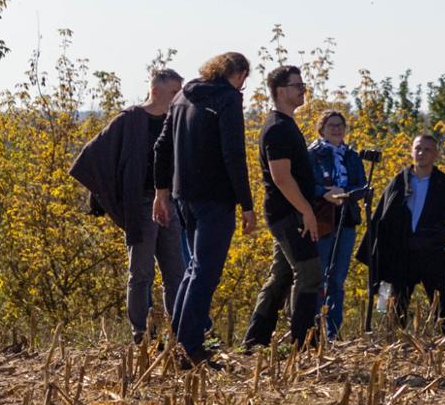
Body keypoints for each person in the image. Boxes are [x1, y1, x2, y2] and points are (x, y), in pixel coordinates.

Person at [152, 52, 256, 368]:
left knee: (194, 270)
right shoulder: (227, 98)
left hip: (184, 195)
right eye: (244, 79)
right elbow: (234, 153)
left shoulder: (183, 96)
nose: (242, 86)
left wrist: (162, 193)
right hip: (216, 197)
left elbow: (162, 147)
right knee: (205, 273)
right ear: (237, 74)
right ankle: (190, 348)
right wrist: (247, 204)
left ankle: (179, 342)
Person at [69, 67, 185, 343]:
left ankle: (180, 331)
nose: (178, 98)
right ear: (155, 91)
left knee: (176, 273)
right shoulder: (130, 120)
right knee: (142, 272)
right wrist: (103, 195)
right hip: (141, 204)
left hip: (170, 203)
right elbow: (93, 157)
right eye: (173, 92)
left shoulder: (176, 121)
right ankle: (142, 334)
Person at [242, 65, 329, 350]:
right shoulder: (278, 128)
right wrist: (306, 211)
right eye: (298, 86)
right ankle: (302, 343)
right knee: (309, 273)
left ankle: (255, 340)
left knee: (281, 275)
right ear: (281, 91)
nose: (303, 90)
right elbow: (281, 177)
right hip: (289, 214)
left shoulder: (286, 124)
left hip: (290, 212)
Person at [358, 134, 445, 334]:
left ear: (435, 154)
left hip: (433, 254)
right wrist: (381, 256)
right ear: (411, 151)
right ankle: (396, 352)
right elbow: (381, 218)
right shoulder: (399, 181)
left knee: (441, 312)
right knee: (395, 310)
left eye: (427, 149)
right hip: (402, 255)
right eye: (418, 148)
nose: (421, 153)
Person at [309, 110, 370, 340]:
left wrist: (346, 193)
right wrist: (325, 193)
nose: (336, 129)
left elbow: (362, 184)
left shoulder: (352, 156)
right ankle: (313, 330)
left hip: (346, 219)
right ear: (321, 128)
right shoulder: (312, 154)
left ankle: (333, 331)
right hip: (322, 219)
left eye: (340, 125)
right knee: (318, 275)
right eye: (331, 125)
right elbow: (306, 185)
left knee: (337, 277)